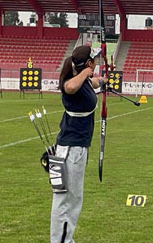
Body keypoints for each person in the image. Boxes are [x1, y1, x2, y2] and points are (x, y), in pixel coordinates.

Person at [51, 45, 107, 243]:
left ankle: (64, 239)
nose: (98, 62)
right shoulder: (72, 82)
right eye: (96, 60)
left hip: (74, 147)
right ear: (89, 64)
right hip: (70, 150)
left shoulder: (84, 80)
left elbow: (93, 83)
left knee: (70, 198)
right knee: (68, 199)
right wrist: (86, 72)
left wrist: (103, 79)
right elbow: (70, 87)